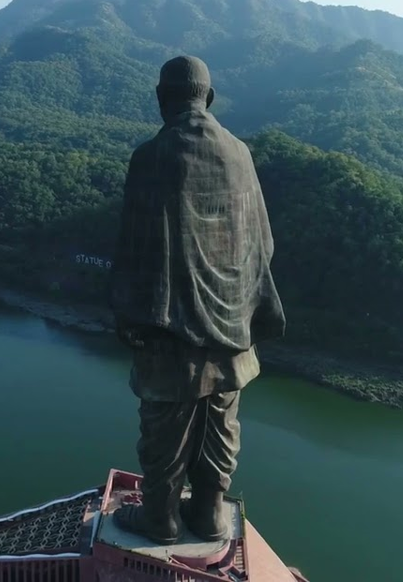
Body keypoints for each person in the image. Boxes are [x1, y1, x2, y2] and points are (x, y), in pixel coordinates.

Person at [109, 55, 285, 544]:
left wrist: (129, 315)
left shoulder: (152, 157)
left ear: (163, 98)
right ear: (208, 98)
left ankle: (160, 519)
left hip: (171, 336)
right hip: (234, 330)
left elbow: (135, 249)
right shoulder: (241, 154)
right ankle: (208, 514)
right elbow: (263, 242)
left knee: (164, 434)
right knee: (220, 428)